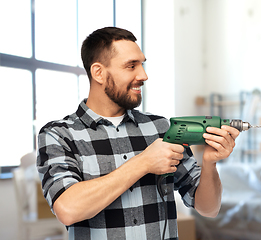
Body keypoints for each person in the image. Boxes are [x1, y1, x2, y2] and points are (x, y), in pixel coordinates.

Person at [37, 26, 239, 240]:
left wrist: (209, 163)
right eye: (131, 66)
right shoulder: (58, 135)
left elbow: (209, 208)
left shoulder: (162, 128)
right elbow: (67, 210)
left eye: (142, 64)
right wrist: (144, 162)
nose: (143, 75)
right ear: (98, 72)